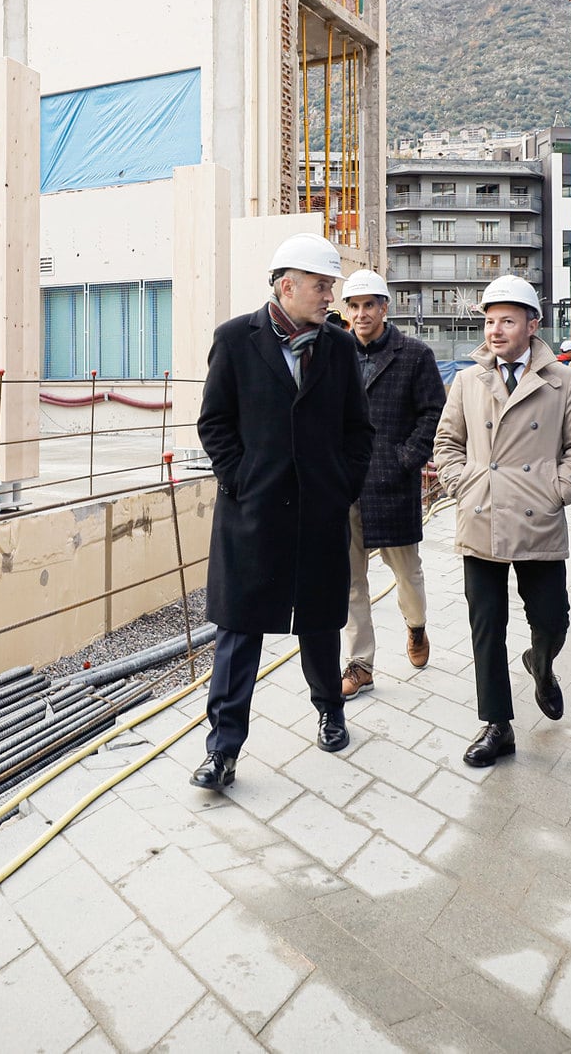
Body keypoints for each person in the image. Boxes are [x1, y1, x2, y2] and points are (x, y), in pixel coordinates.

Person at [189, 233, 374, 791]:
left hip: (318, 514)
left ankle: (330, 711)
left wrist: (342, 485)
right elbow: (214, 422)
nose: (331, 299)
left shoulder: (339, 348)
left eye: (332, 288)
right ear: (286, 286)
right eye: (322, 287)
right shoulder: (234, 340)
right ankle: (222, 751)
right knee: (238, 634)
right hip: (252, 516)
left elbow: (357, 430)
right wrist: (241, 479)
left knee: (319, 624)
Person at [431, 275, 571, 767]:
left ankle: (542, 665)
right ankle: (497, 725)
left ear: (533, 324)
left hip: (538, 517)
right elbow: (447, 443)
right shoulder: (467, 380)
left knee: (551, 618)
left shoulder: (563, 381)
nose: (496, 330)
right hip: (481, 515)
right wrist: (462, 483)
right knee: (486, 624)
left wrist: (557, 491)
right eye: (489, 321)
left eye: (507, 320)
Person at [338, 270, 447, 698]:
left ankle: (416, 627)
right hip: (346, 485)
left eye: (370, 305)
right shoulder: (337, 353)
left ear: (385, 307)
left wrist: (404, 459)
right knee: (350, 580)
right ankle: (360, 663)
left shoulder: (414, 355)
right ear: (346, 311)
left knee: (406, 572)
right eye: (354, 306)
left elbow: (433, 414)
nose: (362, 313)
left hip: (391, 483)